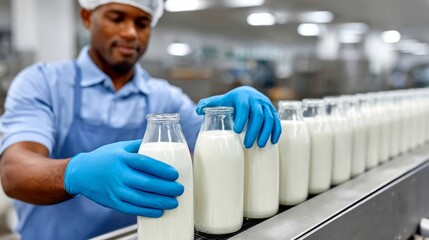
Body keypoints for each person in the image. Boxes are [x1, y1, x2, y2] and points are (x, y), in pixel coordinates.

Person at [0, 0, 282, 239]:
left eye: (142, 23)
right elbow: (14, 171)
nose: (131, 33)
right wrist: (74, 173)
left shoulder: (164, 98)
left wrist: (237, 118)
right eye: (117, 18)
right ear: (87, 17)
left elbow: (215, 149)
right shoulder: (42, 83)